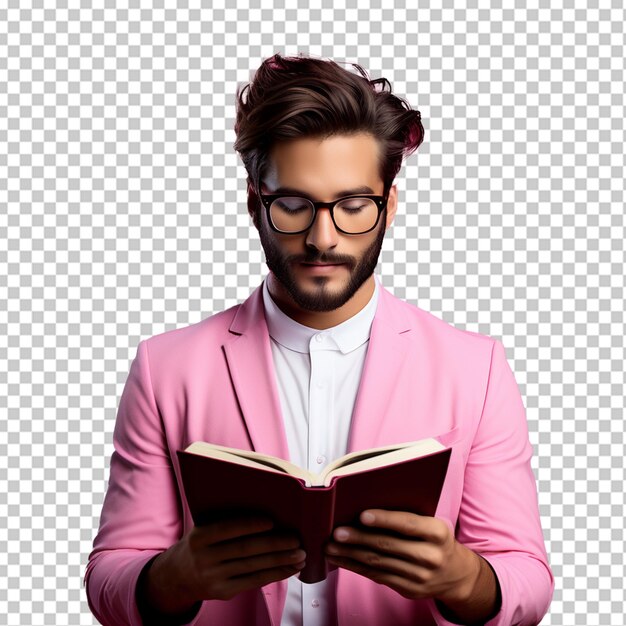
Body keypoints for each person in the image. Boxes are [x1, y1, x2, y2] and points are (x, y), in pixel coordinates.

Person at [84, 53, 553, 626]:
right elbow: (109, 575)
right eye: (293, 205)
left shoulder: (475, 367)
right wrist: (173, 578)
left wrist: (464, 577)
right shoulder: (166, 367)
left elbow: (527, 577)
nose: (322, 237)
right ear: (256, 202)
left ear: (389, 207)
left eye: (354, 205)